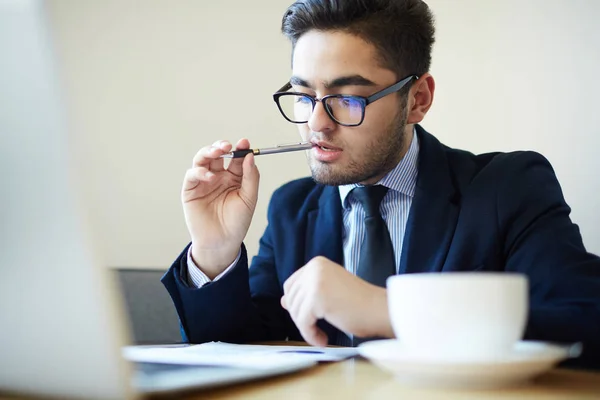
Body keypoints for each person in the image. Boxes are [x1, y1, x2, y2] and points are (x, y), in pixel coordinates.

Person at [162, 0, 600, 368]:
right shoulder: (291, 209)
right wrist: (215, 253)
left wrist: (391, 312)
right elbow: (239, 351)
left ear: (418, 100)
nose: (316, 124)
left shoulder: (508, 188)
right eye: (304, 97)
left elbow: (584, 323)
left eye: (347, 99)